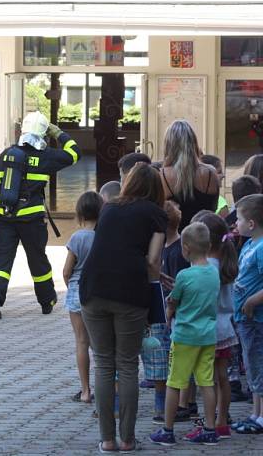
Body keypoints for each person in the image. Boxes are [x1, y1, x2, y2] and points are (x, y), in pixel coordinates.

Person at [79, 163, 167, 453]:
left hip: (93, 289)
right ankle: (128, 440)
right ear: (156, 189)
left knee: (104, 363)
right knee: (127, 364)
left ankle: (106, 439)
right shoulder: (156, 214)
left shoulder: (109, 208)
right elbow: (153, 261)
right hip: (129, 291)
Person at [0, 110, 80, 320]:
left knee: (1, 263)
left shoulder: (6, 155)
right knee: (37, 260)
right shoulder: (45, 157)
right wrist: (59, 134)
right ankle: (47, 301)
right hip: (31, 220)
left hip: (5, 219)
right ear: (44, 134)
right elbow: (74, 153)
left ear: (22, 131)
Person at [150, 222, 220, 446]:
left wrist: (170, 309)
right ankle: (210, 428)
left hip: (184, 338)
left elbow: (174, 302)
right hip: (208, 336)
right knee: (206, 382)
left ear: (186, 248)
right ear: (208, 246)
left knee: (175, 382)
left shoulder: (184, 275)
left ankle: (167, 430)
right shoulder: (213, 272)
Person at [189, 211, 239, 440]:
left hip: (206, 330)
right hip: (225, 328)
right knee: (223, 378)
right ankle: (221, 421)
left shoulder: (204, 267)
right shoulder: (226, 264)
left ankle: (209, 423)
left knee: (206, 380)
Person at [142, 200, 186, 424]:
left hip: (165, 307)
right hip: (162, 305)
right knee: (160, 354)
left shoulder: (175, 251)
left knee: (161, 354)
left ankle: (163, 403)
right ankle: (161, 402)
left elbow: (176, 283)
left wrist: (170, 310)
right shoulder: (168, 246)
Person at [63, 191, 102, 405]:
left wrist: (69, 287)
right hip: (97, 291)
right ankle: (105, 387)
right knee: (100, 344)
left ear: (80, 213)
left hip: (78, 290)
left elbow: (67, 270)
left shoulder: (77, 237)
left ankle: (85, 391)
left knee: (81, 341)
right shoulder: (104, 236)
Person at [230, 194, 263, 434]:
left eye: (239, 219)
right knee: (252, 364)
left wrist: (253, 300)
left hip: (256, 318)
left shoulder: (261, 248)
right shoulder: (250, 244)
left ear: (251, 223)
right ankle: (256, 412)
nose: (235, 224)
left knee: (258, 363)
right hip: (245, 319)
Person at [159, 120, 220, 230]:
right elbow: (214, 208)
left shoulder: (163, 174)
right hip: (206, 237)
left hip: (177, 240)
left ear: (168, 145)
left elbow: (160, 213)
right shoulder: (211, 172)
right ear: (194, 142)